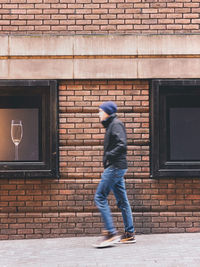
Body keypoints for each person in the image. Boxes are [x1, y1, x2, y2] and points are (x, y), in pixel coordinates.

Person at [93, 101, 136, 248]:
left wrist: (109, 156)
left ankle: (110, 233)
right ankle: (129, 234)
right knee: (122, 201)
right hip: (117, 167)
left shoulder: (116, 124)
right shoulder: (112, 125)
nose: (98, 113)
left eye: (100, 111)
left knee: (100, 196)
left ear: (107, 112)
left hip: (115, 167)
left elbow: (122, 145)